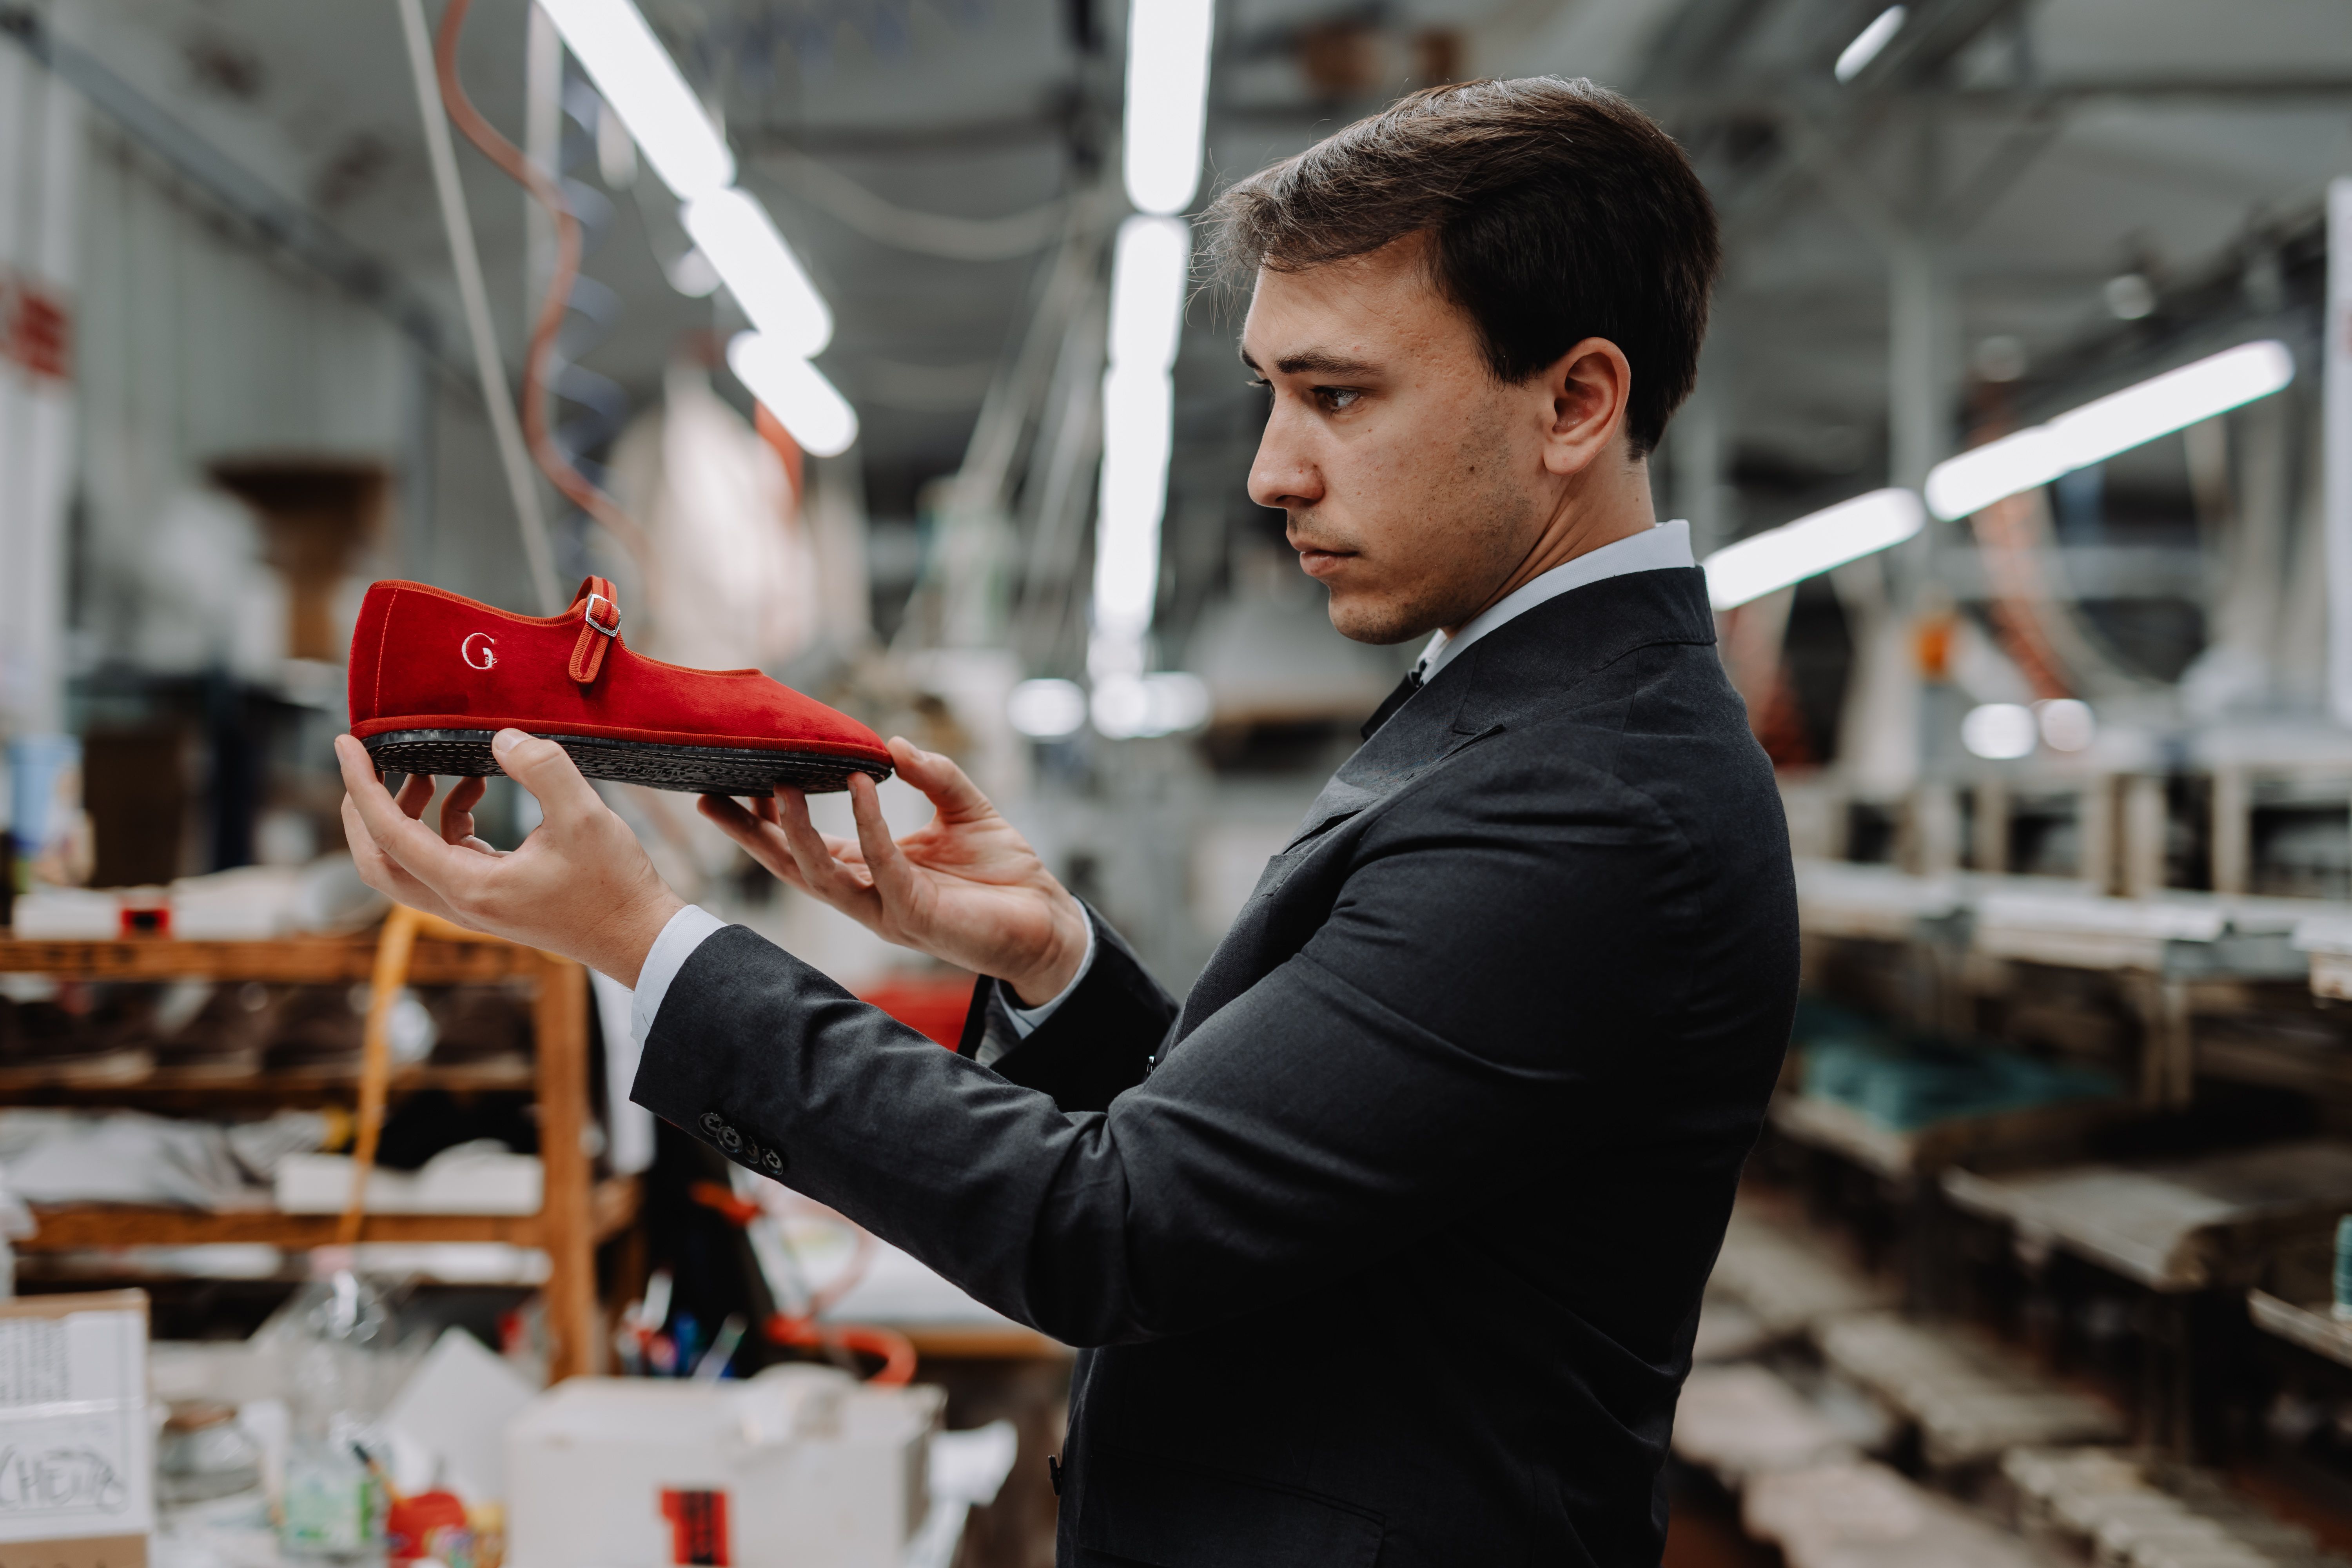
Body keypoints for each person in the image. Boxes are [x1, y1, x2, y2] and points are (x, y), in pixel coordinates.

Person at [339, 76, 1797, 1567]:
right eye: (1272, 394)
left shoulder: (1593, 800)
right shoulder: (1522, 714)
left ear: (1576, 403)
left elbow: (1118, 1232)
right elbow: (1289, 1181)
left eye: (1340, 395)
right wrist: (1057, 963)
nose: (1272, 470)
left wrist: (646, 944)